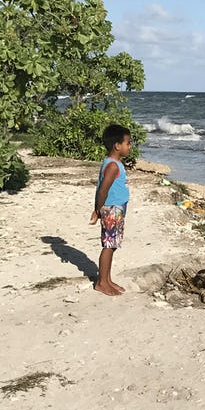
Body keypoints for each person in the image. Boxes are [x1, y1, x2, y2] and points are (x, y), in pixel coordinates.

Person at [89, 124, 132, 296]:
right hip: (112, 210)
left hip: (116, 209)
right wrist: (97, 209)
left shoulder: (113, 163)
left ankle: (106, 279)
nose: (129, 146)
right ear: (117, 146)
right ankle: (101, 283)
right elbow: (102, 189)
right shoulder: (113, 166)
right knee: (109, 246)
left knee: (112, 245)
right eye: (127, 143)